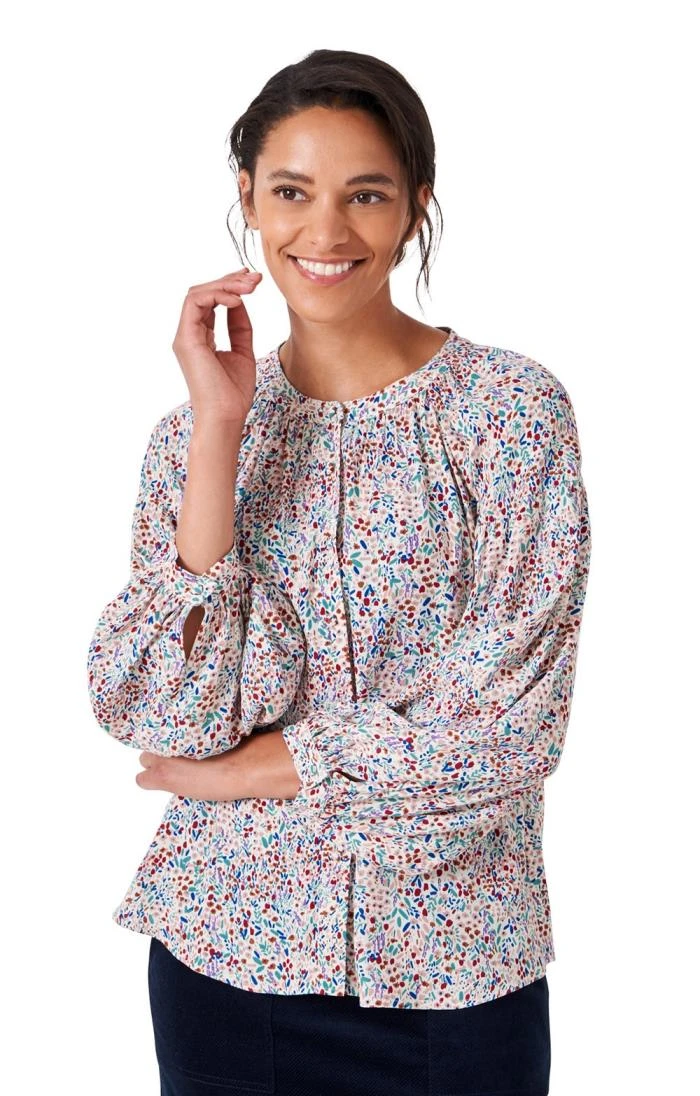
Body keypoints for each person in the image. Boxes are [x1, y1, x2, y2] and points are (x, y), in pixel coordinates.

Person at [86, 48, 591, 1096]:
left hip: (458, 972)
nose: (325, 232)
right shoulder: (189, 439)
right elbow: (167, 711)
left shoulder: (509, 414)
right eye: (291, 192)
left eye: (365, 194)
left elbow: (507, 727)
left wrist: (252, 773)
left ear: (415, 205)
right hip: (224, 966)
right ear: (247, 200)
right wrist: (220, 429)